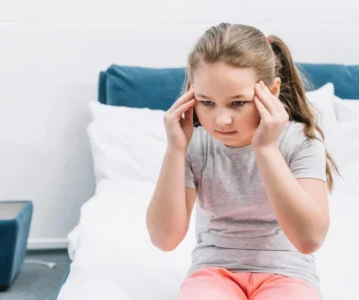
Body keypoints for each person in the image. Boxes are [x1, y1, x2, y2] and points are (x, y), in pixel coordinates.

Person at [145, 23, 340, 299]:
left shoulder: (300, 141)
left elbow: (310, 240)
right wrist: (175, 149)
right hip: (213, 272)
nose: (221, 120)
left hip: (288, 274)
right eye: (207, 102)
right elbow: (164, 239)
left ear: (271, 92)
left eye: (238, 103)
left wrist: (266, 149)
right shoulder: (194, 145)